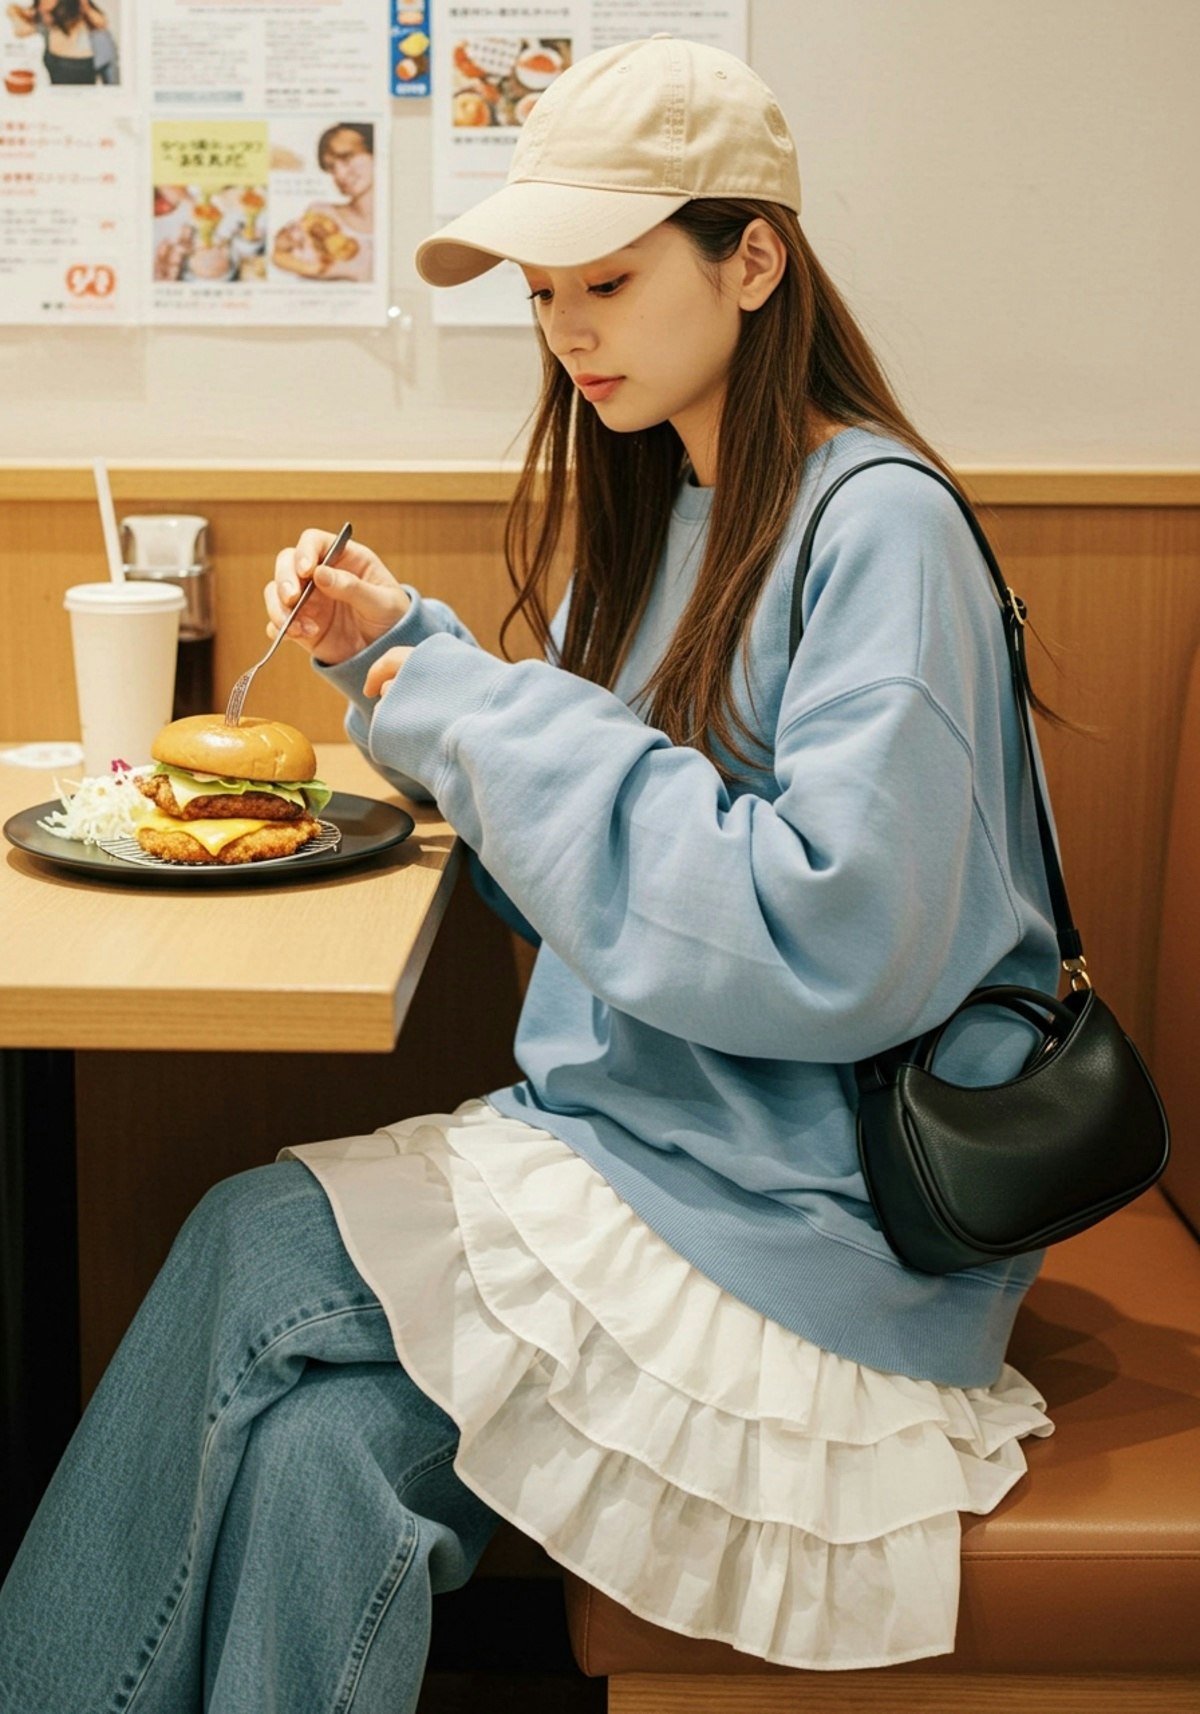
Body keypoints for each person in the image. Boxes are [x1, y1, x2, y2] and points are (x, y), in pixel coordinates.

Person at [0, 35, 1059, 1711]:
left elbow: (830, 931)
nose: (569, 329)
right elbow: (593, 869)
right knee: (321, 1461)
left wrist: (473, 703)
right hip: (677, 1151)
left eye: (608, 281)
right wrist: (402, 660)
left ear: (754, 259)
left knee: (250, 1245)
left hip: (810, 1212)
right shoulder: (671, 510)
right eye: (544, 292)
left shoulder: (881, 525)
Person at [272, 122, 375, 283]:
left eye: (347, 158)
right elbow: (280, 257)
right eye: (331, 167)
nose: (340, 174)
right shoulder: (321, 215)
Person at [5, 0, 113, 85]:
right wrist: (28, 12)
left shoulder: (83, 23)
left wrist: (85, 5)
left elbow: (102, 23)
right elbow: (19, 30)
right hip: (56, 97)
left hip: (85, 96)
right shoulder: (46, 26)